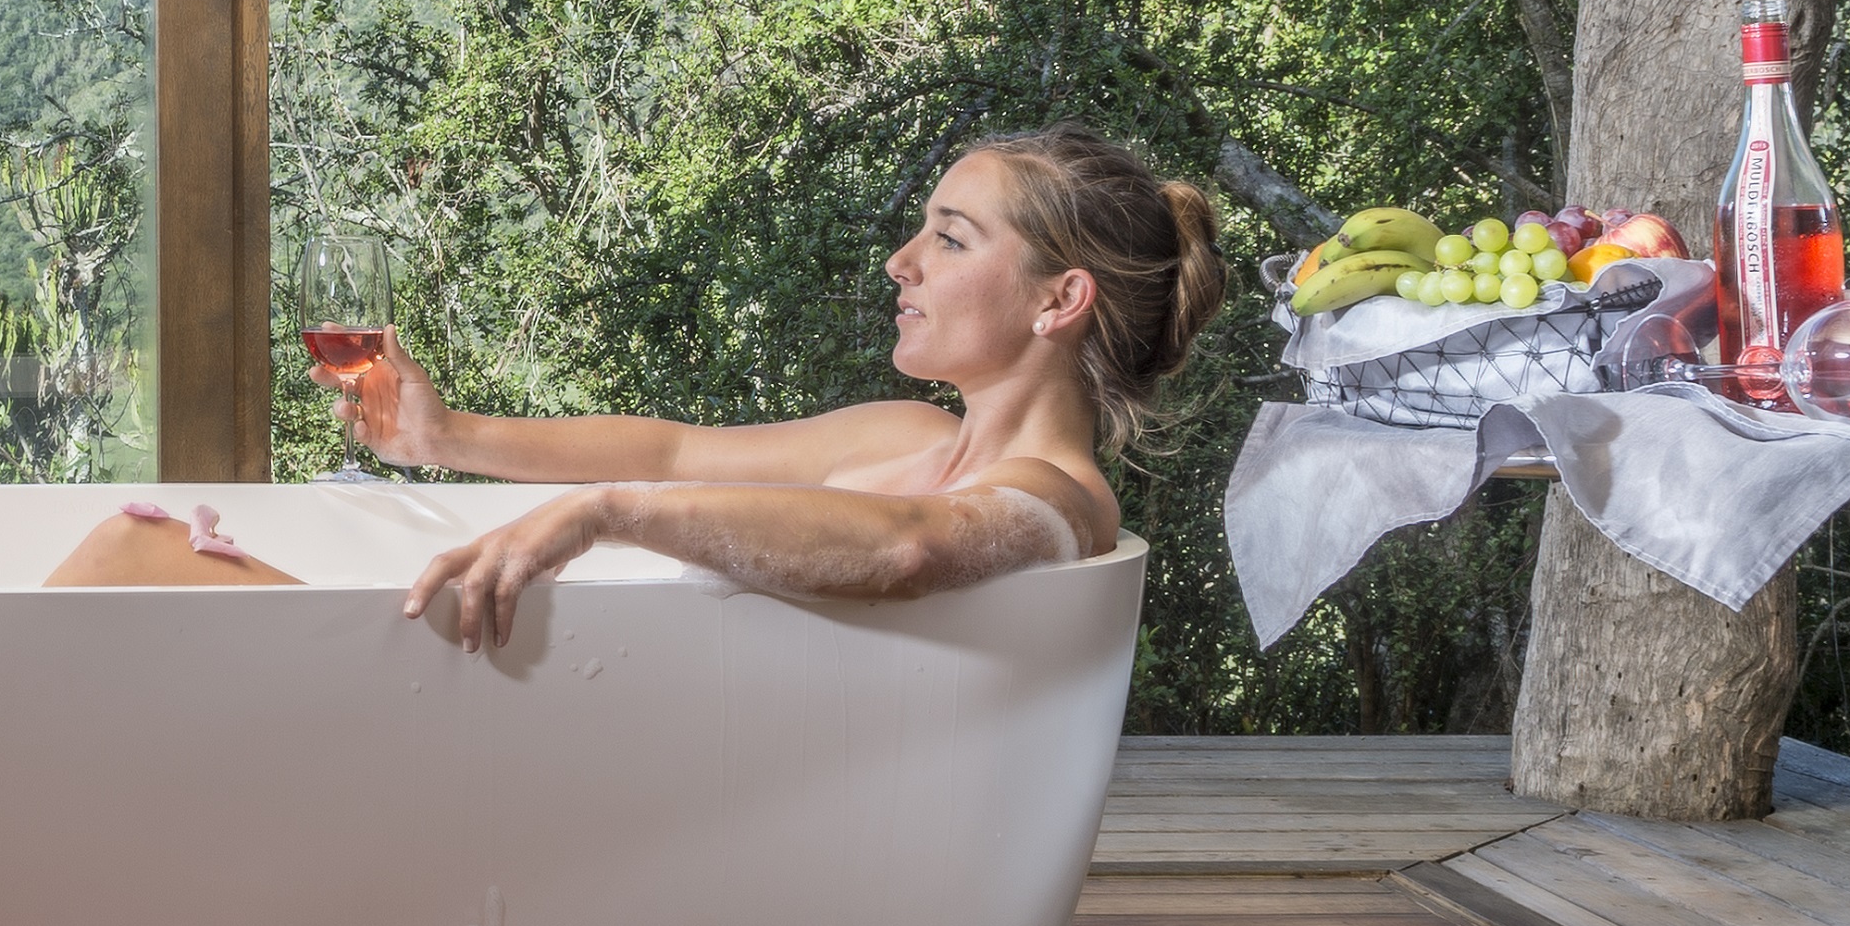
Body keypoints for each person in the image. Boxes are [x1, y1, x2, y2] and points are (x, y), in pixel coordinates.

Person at [335, 128, 1228, 651]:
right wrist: (445, 436)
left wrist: (601, 512)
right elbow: (673, 452)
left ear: (1060, 299)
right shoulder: (904, 433)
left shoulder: (1060, 498)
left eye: (951, 240)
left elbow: (908, 551)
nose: (900, 263)